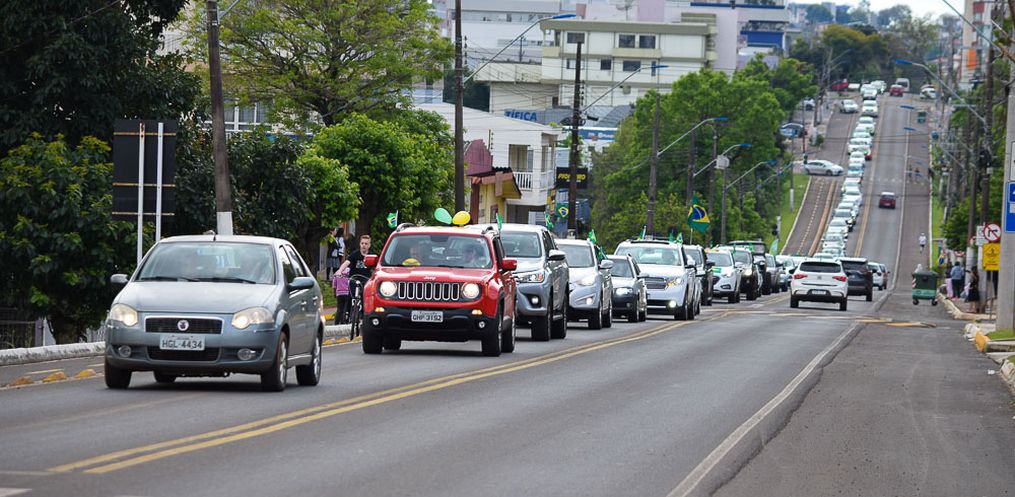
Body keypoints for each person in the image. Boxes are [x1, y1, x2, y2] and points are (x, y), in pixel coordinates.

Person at [339, 235, 373, 300]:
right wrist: (340, 271)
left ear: (369, 245)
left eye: (366, 244)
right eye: (362, 243)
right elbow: (347, 262)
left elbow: (376, 267)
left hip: (366, 279)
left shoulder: (371, 255)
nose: (364, 245)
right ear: (360, 244)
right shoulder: (355, 254)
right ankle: (350, 306)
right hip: (354, 278)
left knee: (365, 298)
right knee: (350, 297)